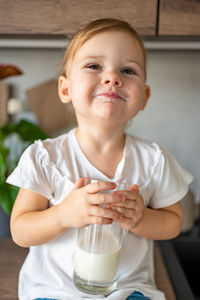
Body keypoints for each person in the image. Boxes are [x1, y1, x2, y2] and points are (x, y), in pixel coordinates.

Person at [7, 18, 193, 300]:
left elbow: (173, 222)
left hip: (127, 290)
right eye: (94, 66)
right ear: (65, 89)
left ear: (143, 97)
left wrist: (141, 218)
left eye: (128, 70)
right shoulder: (44, 157)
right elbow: (20, 230)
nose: (112, 78)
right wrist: (63, 214)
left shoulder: (154, 160)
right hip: (54, 291)